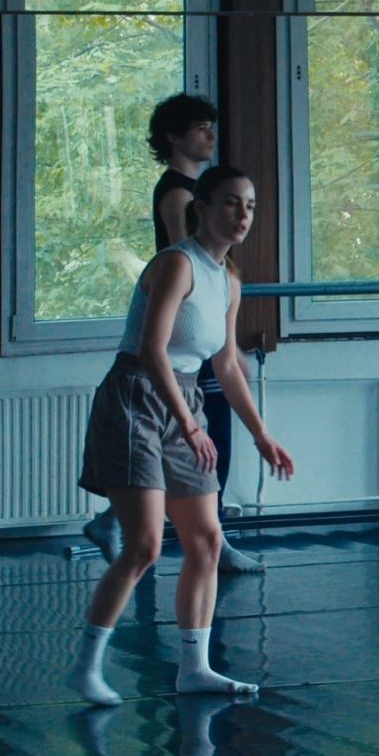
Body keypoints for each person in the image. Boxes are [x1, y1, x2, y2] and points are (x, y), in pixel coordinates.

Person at [66, 166, 295, 706]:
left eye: (250, 205)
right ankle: (85, 666)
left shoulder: (229, 280)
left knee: (207, 540)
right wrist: (190, 425)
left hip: (184, 396)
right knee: (144, 545)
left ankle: (195, 668)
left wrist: (261, 434)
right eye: (231, 203)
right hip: (136, 396)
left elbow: (227, 365)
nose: (242, 215)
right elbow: (152, 349)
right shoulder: (176, 264)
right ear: (204, 208)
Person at [82, 93, 265, 574]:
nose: (211, 135)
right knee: (200, 439)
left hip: (194, 333)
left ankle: (194, 533)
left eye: (211, 126)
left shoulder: (194, 194)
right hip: (178, 338)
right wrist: (217, 338)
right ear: (174, 137)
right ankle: (202, 533)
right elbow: (189, 258)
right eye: (201, 127)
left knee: (198, 438)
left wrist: (227, 343)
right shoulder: (179, 196)